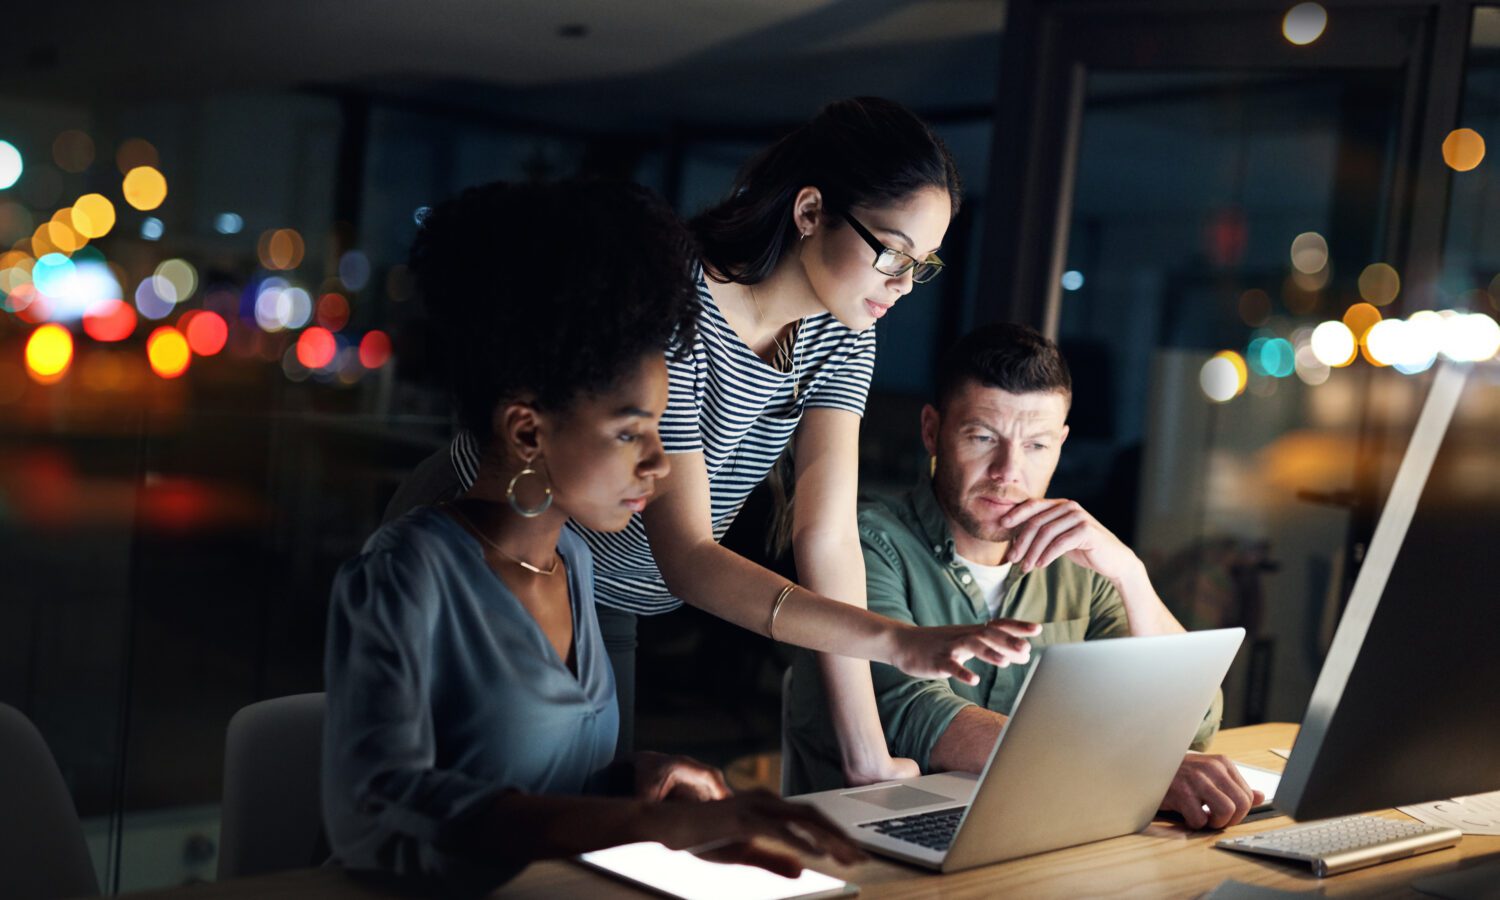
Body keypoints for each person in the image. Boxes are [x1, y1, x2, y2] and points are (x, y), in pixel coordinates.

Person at [385, 97, 1039, 784]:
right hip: (502, 533)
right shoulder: (674, 303)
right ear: (811, 211)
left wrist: (865, 754)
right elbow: (688, 554)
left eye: (924, 265)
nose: (904, 285)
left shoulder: (846, 332)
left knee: (588, 805)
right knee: (452, 793)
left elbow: (829, 539)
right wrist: (895, 640)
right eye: (893, 253)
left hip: (612, 587)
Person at [322, 180, 864, 895]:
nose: (660, 462)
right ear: (526, 431)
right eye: (628, 432)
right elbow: (381, 811)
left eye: (659, 428)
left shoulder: (571, 562)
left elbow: (541, 775)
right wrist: (649, 827)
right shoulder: (405, 574)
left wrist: (641, 782)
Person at [784, 323, 1264, 830]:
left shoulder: (1080, 561)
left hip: (1029, 830)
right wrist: (1126, 766)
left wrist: (1130, 573)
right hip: (866, 843)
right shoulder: (866, 545)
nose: (1007, 471)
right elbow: (910, 714)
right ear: (932, 431)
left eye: (1036, 446)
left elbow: (1197, 719)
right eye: (983, 437)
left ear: (1061, 444)